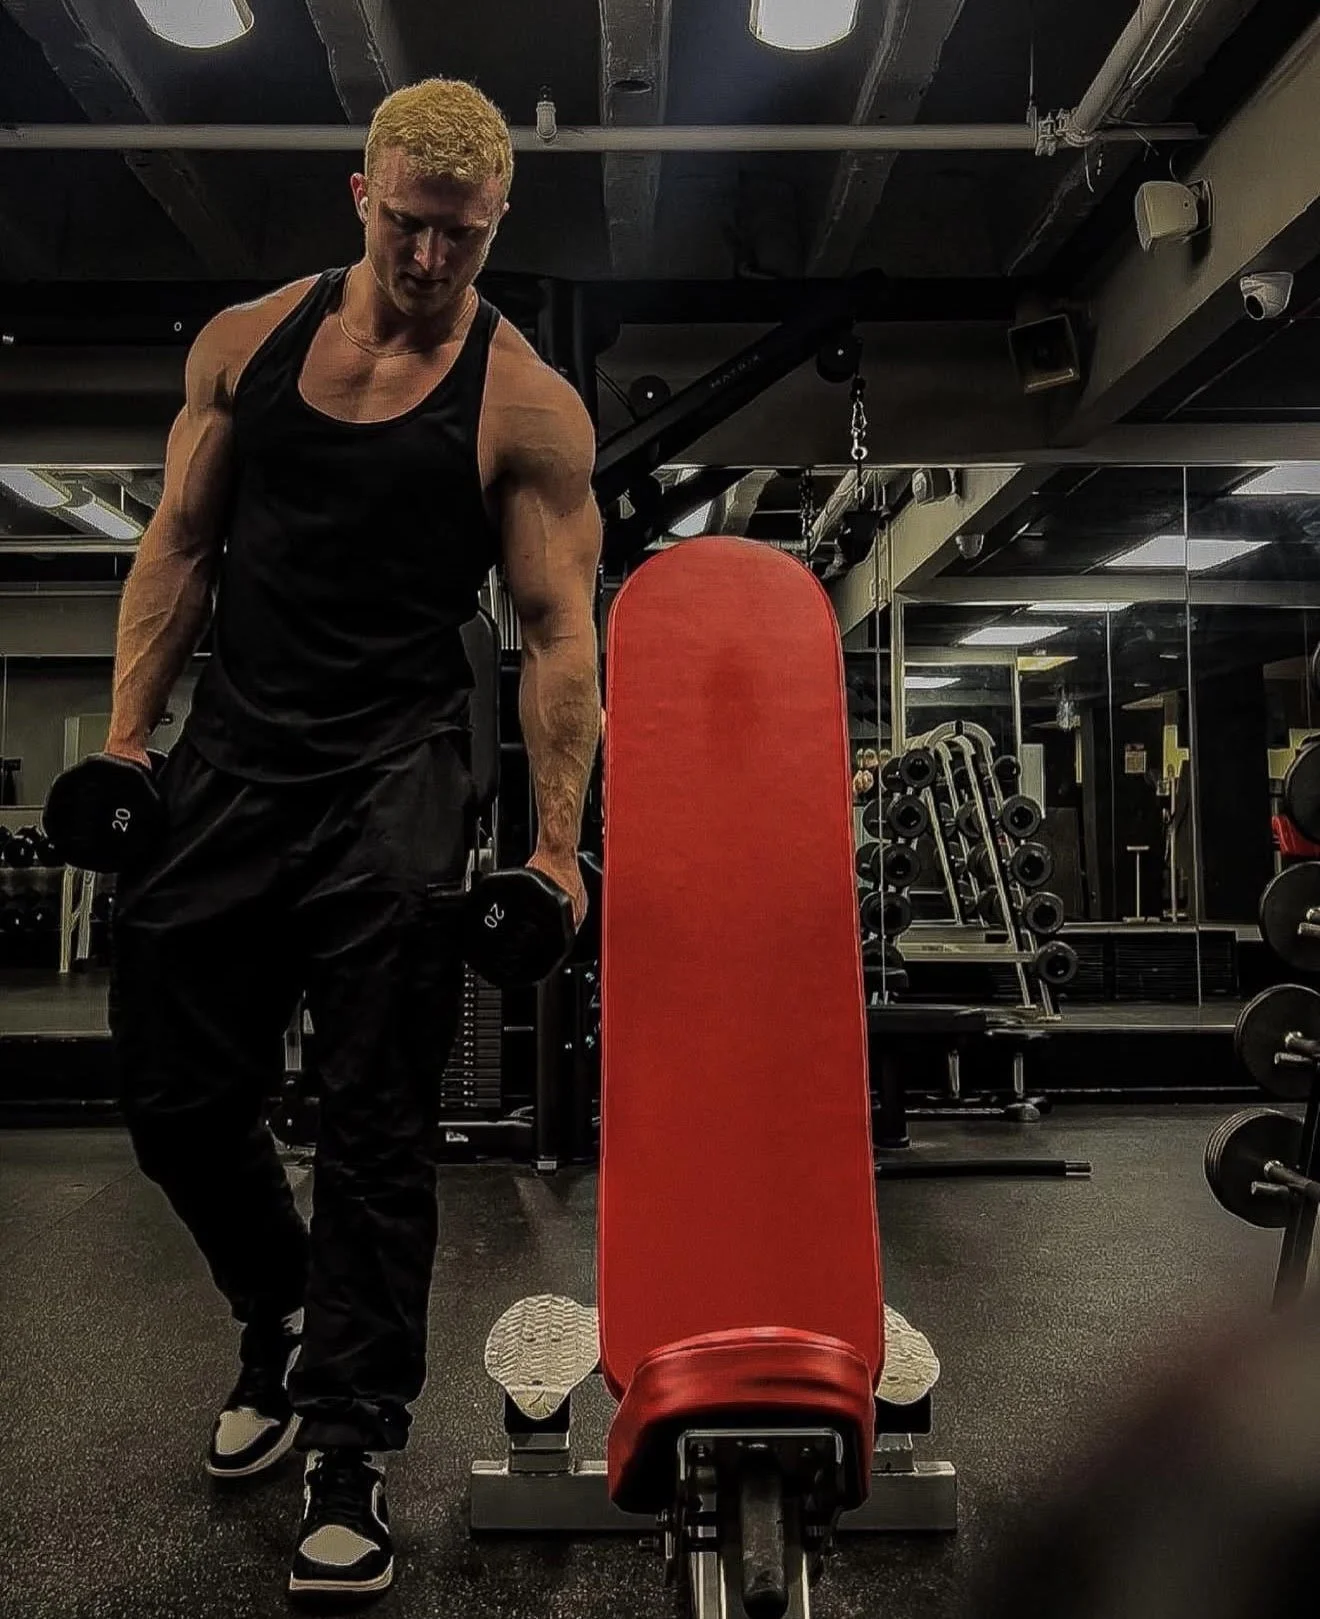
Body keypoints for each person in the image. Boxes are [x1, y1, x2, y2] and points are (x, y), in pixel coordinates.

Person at [104, 77, 602, 1602]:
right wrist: (126, 741)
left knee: (379, 1117)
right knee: (174, 1095)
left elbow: (556, 632)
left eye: (464, 236)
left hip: (399, 764)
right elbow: (180, 545)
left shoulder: (524, 403)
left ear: (495, 223)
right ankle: (279, 1307)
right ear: (361, 196)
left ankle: (348, 1443)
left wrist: (559, 846)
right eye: (409, 224)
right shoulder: (246, 345)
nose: (432, 259)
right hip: (237, 753)